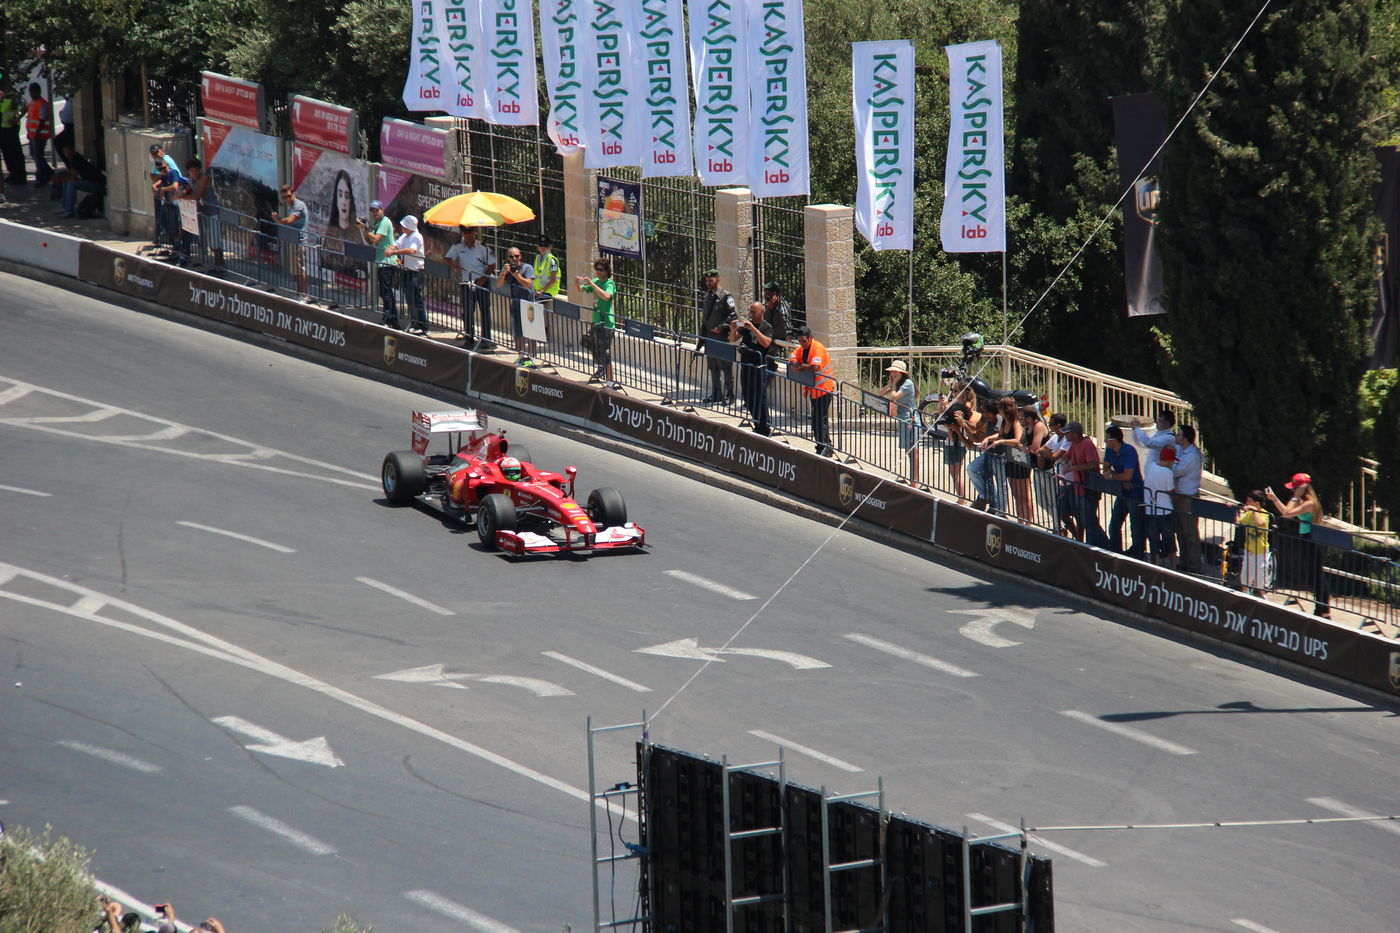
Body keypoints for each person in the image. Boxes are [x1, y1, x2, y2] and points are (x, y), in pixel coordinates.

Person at [1266, 473, 1330, 618]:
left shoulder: (1309, 503)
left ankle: (1323, 609)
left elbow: (1287, 513)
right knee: (1312, 575)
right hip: (1305, 538)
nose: (1293, 491)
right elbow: (1285, 512)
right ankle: (1321, 607)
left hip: (1312, 539)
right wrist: (1274, 498)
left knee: (1316, 575)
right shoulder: (1302, 501)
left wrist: (1296, 496)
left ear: (1302, 488)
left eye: (1295, 489)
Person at [1062, 421, 1111, 548]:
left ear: (1074, 434)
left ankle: (1103, 546)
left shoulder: (1087, 444)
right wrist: (1065, 461)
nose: (1065, 435)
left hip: (1089, 490)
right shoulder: (1074, 444)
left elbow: (1092, 464)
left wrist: (1072, 468)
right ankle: (1096, 545)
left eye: (1067, 433)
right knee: (1086, 520)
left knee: (1090, 522)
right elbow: (1067, 456)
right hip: (1079, 488)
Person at [788, 325, 835, 456]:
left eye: (804, 341)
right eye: (800, 341)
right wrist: (793, 362)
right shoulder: (802, 349)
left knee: (820, 420)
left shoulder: (817, 348)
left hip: (824, 389)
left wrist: (798, 366)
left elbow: (815, 367)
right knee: (817, 420)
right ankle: (824, 446)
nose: (802, 344)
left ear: (810, 338)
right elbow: (792, 355)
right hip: (814, 390)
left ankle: (823, 447)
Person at [445, 226, 495, 346]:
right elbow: (447, 257)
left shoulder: (483, 247)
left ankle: (486, 339)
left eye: (470, 232)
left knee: (484, 310)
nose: (468, 235)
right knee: (468, 311)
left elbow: (492, 265)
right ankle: (469, 338)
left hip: (481, 281)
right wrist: (452, 263)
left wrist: (483, 279)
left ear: (474, 233)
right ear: (463, 233)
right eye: (466, 232)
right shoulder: (458, 246)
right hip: (466, 282)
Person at [732, 300, 775, 436]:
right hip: (746, 365)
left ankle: (764, 427)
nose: (751, 314)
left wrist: (754, 329)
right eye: (750, 312)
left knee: (760, 397)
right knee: (748, 396)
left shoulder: (766, 327)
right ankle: (756, 423)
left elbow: (766, 343)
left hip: (758, 367)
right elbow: (733, 339)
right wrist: (733, 328)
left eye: (754, 312)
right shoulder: (746, 325)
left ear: (762, 312)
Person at [1103, 425, 1144, 557]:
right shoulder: (1109, 451)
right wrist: (1117, 477)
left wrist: (1113, 476)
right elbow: (1106, 469)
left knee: (1136, 528)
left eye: (1106, 439)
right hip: (1122, 491)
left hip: (1135, 493)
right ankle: (1117, 553)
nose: (1105, 442)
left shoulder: (1129, 451)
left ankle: (1138, 556)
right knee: (1114, 525)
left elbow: (1127, 475)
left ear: (1113, 441)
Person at [576, 257, 618, 387]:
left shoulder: (609, 284)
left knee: (605, 353)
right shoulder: (595, 281)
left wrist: (593, 285)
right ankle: (600, 366)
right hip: (596, 322)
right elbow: (581, 290)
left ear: (606, 271)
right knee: (587, 342)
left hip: (606, 324)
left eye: (600, 270)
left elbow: (606, 297)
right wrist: (577, 283)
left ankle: (610, 381)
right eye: (597, 269)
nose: (598, 272)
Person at [697, 269, 737, 403]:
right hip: (709, 337)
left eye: (711, 280)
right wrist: (702, 337)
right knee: (713, 366)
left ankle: (729, 394)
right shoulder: (708, 296)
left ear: (717, 279)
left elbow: (733, 315)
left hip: (721, 337)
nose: (708, 283)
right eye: (707, 281)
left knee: (725, 366)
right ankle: (716, 393)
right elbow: (705, 319)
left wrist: (720, 328)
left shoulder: (726, 296)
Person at [356, 199, 398, 327]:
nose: (374, 213)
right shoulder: (378, 223)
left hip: (387, 262)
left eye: (376, 210)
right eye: (372, 211)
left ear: (382, 210)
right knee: (385, 292)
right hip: (381, 262)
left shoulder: (385, 222)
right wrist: (363, 230)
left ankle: (388, 319)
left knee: (386, 292)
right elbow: (370, 242)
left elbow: (376, 238)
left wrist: (366, 228)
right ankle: (392, 320)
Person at [877, 360, 920, 484]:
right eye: (892, 371)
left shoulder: (907, 383)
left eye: (895, 372)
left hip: (910, 419)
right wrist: (890, 383)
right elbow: (880, 393)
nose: (893, 374)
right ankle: (913, 479)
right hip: (903, 418)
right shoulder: (897, 383)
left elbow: (893, 397)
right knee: (908, 449)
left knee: (913, 450)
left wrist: (894, 383)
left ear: (902, 373)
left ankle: (915, 480)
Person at [386, 215, 428, 335]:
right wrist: (390, 248)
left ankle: (423, 326)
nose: (402, 227)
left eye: (404, 225)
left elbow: (412, 250)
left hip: (415, 271)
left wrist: (394, 252)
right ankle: (415, 322)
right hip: (406, 270)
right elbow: (397, 244)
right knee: (409, 299)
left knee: (416, 299)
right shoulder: (405, 236)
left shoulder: (417, 237)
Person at [1037, 413, 1077, 538]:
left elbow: (1056, 456)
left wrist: (1047, 453)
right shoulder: (1055, 437)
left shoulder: (1067, 440)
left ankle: (1076, 536)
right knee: (1059, 509)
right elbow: (1041, 450)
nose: (1049, 426)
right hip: (1060, 477)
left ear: (1058, 425)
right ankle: (1062, 529)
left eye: (1051, 424)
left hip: (1069, 480)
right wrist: (1046, 453)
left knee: (1067, 511)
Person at [496, 245, 536, 363]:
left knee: (531, 331)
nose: (514, 259)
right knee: (518, 331)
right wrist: (503, 274)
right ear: (508, 258)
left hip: (528, 303)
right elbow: (498, 285)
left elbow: (528, 284)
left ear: (520, 256)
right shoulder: (507, 269)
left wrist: (516, 274)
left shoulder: (527, 268)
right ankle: (521, 355)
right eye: (511, 257)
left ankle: (532, 356)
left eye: (516, 256)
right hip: (516, 302)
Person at [179, 158, 222, 267]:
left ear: (199, 170)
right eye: (191, 171)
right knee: (203, 239)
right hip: (202, 213)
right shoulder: (191, 179)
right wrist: (180, 193)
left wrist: (182, 196)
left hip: (212, 212)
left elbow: (198, 195)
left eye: (196, 170)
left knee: (214, 241)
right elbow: (187, 190)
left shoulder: (204, 178)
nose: (194, 173)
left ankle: (220, 266)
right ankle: (204, 261)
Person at [272, 184, 310, 298]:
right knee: (296, 270)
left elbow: (290, 220)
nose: (287, 199)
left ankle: (304, 295)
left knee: (301, 269)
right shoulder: (292, 206)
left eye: (289, 196)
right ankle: (299, 293)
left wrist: (279, 220)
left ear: (294, 193)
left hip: (300, 241)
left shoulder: (298, 205)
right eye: (284, 197)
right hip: (294, 240)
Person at [1143, 446, 1177, 567]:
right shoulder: (1168, 473)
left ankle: (1155, 566)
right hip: (1164, 511)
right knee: (1170, 540)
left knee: (1154, 541)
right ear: (1169, 461)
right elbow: (1171, 491)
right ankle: (1173, 567)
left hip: (1150, 509)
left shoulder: (1151, 466)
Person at [1237, 490, 1273, 597]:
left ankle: (1263, 597)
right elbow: (1239, 523)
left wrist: (1254, 510)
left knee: (1259, 580)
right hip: (1249, 550)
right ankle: (1245, 596)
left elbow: (1260, 523)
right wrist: (1235, 510)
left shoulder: (1264, 513)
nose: (1247, 503)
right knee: (1245, 578)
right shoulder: (1248, 514)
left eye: (1249, 501)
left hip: (1261, 552)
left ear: (1256, 503)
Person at [54, 145, 105, 218]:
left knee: (71, 183)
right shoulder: (72, 160)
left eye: (68, 152)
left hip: (98, 185)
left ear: (73, 151)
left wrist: (60, 179)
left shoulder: (77, 159)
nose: (66, 154)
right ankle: (65, 208)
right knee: (67, 182)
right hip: (89, 182)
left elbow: (74, 176)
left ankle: (69, 210)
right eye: (65, 152)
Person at [150, 158, 188, 250]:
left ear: (167, 165)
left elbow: (175, 186)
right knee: (165, 222)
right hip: (170, 204)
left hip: (177, 204)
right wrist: (155, 187)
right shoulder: (164, 176)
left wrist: (163, 189)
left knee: (178, 225)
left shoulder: (173, 172)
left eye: (164, 168)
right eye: (160, 169)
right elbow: (158, 184)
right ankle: (175, 245)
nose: (163, 170)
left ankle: (180, 245)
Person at [25, 83, 53, 186]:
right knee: (35, 155)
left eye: (33, 92)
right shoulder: (32, 102)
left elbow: (42, 120)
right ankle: (49, 173)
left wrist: (36, 133)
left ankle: (41, 178)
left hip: (40, 135)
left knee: (38, 156)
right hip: (32, 134)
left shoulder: (42, 104)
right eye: (30, 92)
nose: (31, 94)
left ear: (38, 92)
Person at [0, 78, 25, 185]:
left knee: (15, 152)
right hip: (3, 128)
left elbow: (24, 106)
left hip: (12, 128)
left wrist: (17, 117)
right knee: (6, 152)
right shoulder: (2, 94)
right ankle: (12, 173)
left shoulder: (13, 94)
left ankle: (20, 176)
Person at [534, 235, 562, 299]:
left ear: (550, 247)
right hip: (539, 292)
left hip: (549, 292)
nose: (543, 247)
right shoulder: (537, 258)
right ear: (537, 246)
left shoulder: (552, 260)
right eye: (540, 245)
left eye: (546, 245)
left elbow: (553, 280)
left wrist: (541, 291)